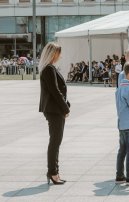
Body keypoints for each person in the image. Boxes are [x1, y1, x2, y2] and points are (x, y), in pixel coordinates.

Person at [38, 42, 70, 185]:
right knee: (55, 142)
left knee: (55, 142)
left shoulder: (49, 68)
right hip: (54, 110)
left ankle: (53, 171)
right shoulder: (49, 69)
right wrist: (65, 108)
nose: (60, 56)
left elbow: (57, 91)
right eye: (59, 53)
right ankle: (53, 172)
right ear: (53, 53)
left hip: (54, 109)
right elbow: (55, 91)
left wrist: (65, 105)